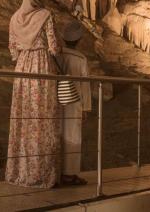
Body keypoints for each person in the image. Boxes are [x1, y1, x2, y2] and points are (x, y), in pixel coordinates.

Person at [6, 0, 62, 188]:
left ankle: (19, 172)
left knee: (24, 117)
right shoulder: (45, 15)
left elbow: (13, 50)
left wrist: (23, 52)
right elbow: (54, 47)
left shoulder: (14, 18)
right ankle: (40, 173)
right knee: (42, 118)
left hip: (22, 69)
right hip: (41, 67)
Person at [58, 19, 92, 185]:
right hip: (73, 102)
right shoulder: (80, 58)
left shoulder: (56, 54)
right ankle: (69, 174)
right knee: (72, 137)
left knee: (57, 134)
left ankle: (54, 170)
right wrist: (86, 108)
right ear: (78, 40)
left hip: (56, 101)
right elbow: (85, 84)